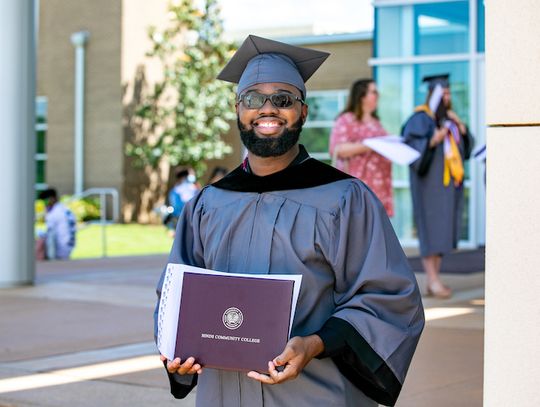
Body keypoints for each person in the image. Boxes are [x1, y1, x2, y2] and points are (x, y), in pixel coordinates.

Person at [154, 35, 424, 407]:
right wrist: (176, 352)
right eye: (253, 99)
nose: (268, 109)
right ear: (238, 109)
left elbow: (387, 297)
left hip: (314, 394)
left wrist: (314, 343)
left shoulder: (345, 198)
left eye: (283, 99)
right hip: (224, 395)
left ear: (303, 112)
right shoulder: (209, 203)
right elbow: (175, 295)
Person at [401, 74, 474, 299]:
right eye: (443, 94)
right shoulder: (420, 119)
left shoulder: (450, 120)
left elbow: (467, 149)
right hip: (429, 187)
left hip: (448, 187)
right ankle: (432, 280)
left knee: (442, 232)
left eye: (449, 93)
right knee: (430, 231)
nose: (447, 97)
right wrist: (432, 140)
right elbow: (411, 149)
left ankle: (436, 278)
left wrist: (459, 126)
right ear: (432, 95)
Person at [329, 78, 394, 216]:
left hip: (379, 189)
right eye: (374, 92)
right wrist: (370, 145)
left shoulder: (377, 123)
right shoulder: (346, 119)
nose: (378, 95)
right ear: (362, 96)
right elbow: (337, 150)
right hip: (357, 189)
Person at [37, 188, 77, 260]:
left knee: (40, 240)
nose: (45, 204)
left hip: (60, 249)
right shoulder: (65, 209)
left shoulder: (54, 213)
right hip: (69, 247)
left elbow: (49, 232)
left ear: (51, 199)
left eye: (45, 202)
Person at [164, 168, 200, 233]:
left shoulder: (194, 189)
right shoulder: (176, 190)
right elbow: (177, 206)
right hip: (180, 218)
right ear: (183, 177)